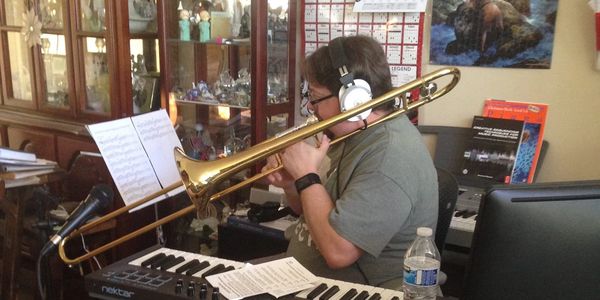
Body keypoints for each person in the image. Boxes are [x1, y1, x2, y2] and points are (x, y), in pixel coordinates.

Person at [263, 35, 438, 289]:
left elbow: (339, 253)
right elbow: (317, 214)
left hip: (361, 291)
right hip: (307, 281)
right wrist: (293, 185)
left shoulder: (390, 156)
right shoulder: (353, 134)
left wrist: (306, 177)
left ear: (353, 100)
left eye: (315, 97)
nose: (311, 108)